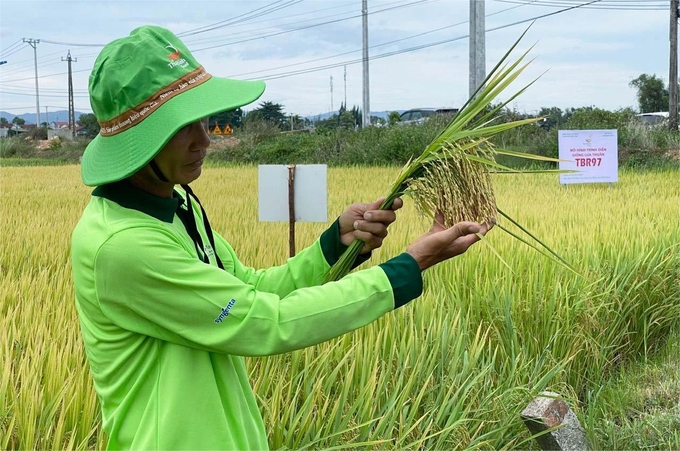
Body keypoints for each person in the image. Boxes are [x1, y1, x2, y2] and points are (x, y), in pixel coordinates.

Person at [71, 25, 491, 450]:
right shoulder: (122, 247)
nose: (203, 140)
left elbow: (249, 289)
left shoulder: (179, 207)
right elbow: (264, 321)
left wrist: (336, 245)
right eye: (182, 127)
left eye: (200, 119)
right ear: (140, 141)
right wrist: (408, 267)